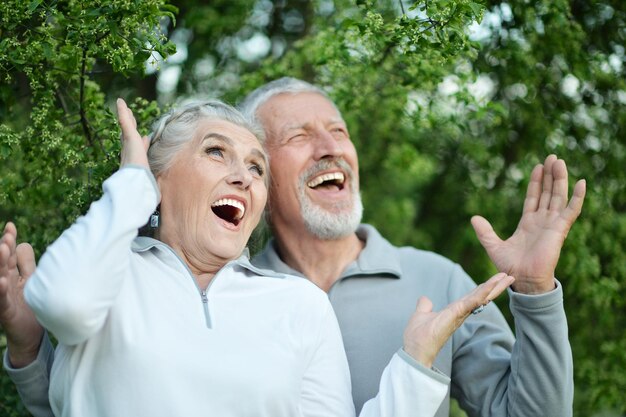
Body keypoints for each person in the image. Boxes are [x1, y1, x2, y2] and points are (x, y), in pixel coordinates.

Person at [0, 97, 514, 417]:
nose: (243, 176)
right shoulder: (106, 270)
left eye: (256, 167)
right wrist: (133, 184)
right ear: (159, 177)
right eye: (215, 152)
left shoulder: (298, 303)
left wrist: (416, 366)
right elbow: (62, 302)